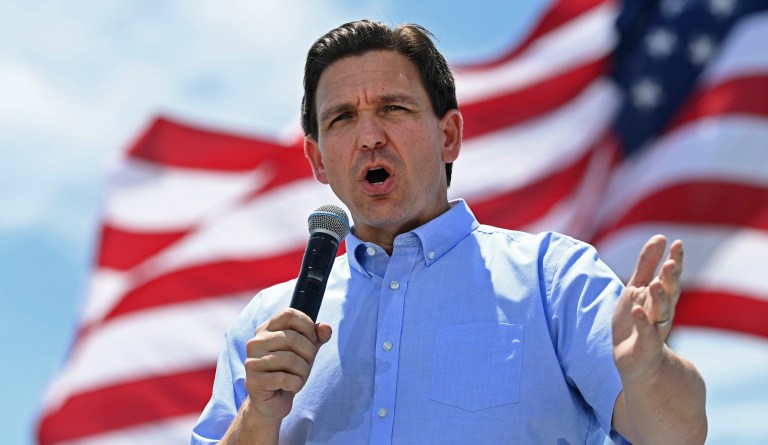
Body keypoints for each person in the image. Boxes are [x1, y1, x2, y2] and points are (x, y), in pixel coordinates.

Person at [191, 20, 707, 444]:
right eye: (343, 118)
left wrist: (646, 372)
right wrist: (257, 417)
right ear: (317, 159)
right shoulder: (265, 325)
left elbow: (678, 434)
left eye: (393, 108)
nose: (370, 136)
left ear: (449, 136)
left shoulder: (554, 278)